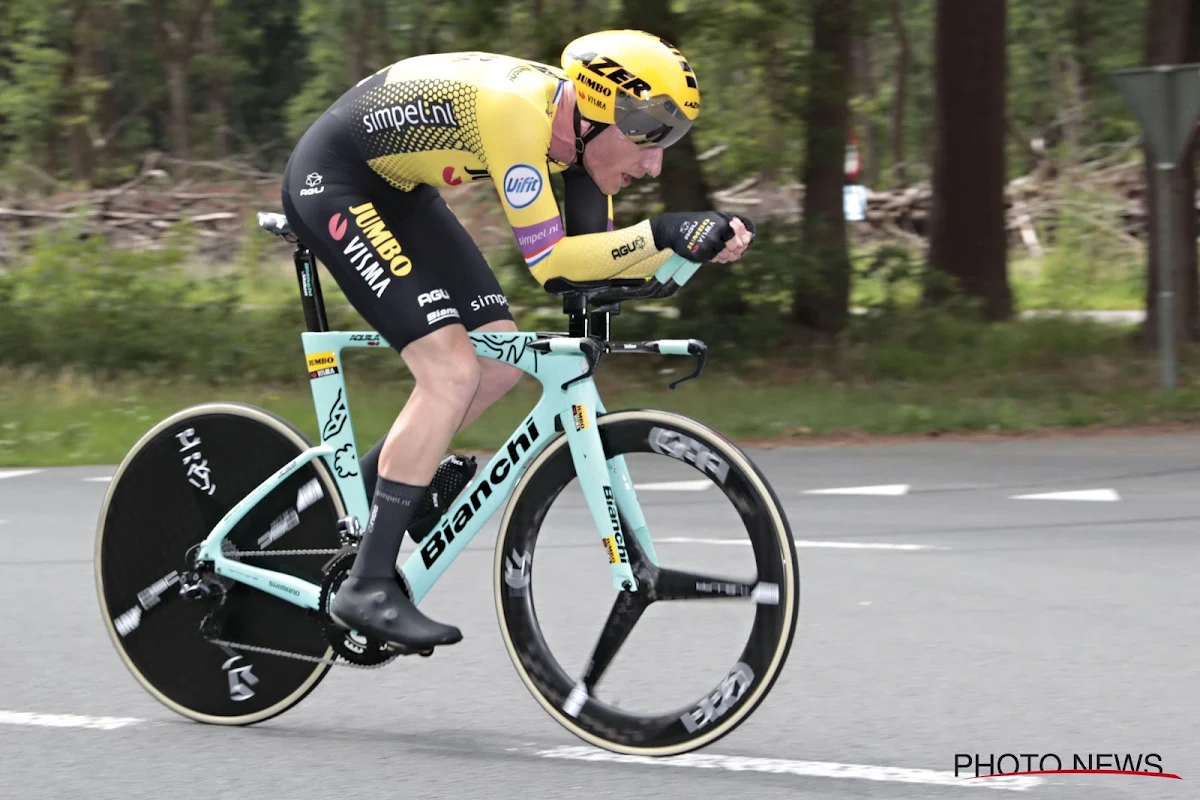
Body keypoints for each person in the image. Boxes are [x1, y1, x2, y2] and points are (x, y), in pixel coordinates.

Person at [280, 29, 756, 651]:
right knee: (449, 371)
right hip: (333, 180)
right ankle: (368, 584)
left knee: (497, 363)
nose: (654, 162)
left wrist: (694, 247)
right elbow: (554, 264)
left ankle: (375, 497)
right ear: (597, 113)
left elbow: (596, 273)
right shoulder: (519, 115)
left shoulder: (579, 141)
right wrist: (664, 232)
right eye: (648, 135)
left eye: (669, 139)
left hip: (397, 189)